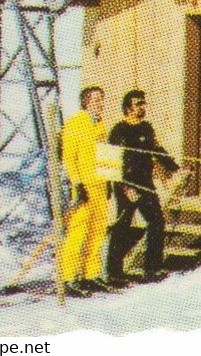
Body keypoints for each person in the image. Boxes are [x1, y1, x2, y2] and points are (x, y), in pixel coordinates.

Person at [105, 89, 180, 285]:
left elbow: (156, 149)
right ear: (128, 108)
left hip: (145, 183)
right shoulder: (119, 130)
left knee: (156, 222)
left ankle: (152, 268)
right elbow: (113, 163)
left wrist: (174, 167)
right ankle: (114, 272)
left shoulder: (146, 127)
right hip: (126, 183)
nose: (142, 108)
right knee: (122, 226)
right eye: (138, 104)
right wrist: (124, 187)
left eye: (143, 103)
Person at [59, 86, 111, 296]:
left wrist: (108, 183)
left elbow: (105, 156)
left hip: (100, 184)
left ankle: (91, 274)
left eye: (102, 99)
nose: (100, 103)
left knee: (97, 231)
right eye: (96, 99)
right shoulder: (75, 122)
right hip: (84, 186)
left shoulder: (99, 124)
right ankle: (69, 277)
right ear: (86, 101)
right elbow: (69, 158)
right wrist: (77, 184)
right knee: (78, 232)